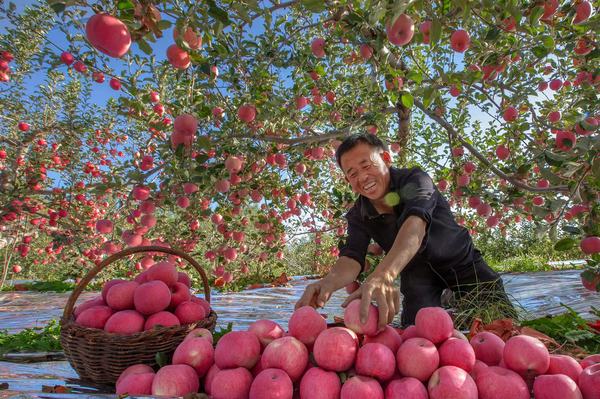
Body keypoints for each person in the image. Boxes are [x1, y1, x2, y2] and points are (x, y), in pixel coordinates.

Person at [295, 132, 515, 332]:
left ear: (386, 159)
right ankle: (447, 300)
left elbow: (414, 228)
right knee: (414, 333)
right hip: (417, 278)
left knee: (503, 326)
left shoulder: (416, 180)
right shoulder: (358, 214)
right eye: (352, 174)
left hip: (463, 264)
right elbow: (352, 257)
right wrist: (327, 283)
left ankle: (452, 297)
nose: (362, 177)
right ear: (348, 181)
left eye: (367, 165)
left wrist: (383, 275)